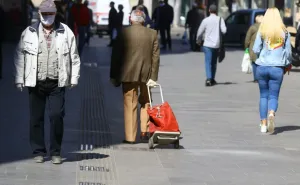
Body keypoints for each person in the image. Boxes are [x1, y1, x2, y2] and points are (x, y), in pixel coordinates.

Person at [14, 0, 80, 164]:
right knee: (36, 118)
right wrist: (19, 78)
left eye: (50, 13)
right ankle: (38, 151)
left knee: (56, 116)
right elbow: (19, 55)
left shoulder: (66, 32)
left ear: (55, 13)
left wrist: (74, 78)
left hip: (57, 82)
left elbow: (74, 57)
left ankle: (56, 151)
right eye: (45, 13)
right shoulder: (29, 32)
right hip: (35, 82)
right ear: (39, 14)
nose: (48, 17)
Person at [110, 10, 160, 144]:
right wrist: (153, 77)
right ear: (143, 20)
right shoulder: (152, 34)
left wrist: (114, 77)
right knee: (146, 101)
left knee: (130, 104)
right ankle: (144, 131)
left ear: (130, 19)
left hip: (128, 75)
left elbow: (116, 57)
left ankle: (130, 137)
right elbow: (155, 58)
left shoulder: (123, 33)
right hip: (146, 75)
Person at [252, 8, 292, 134]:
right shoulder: (285, 32)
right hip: (277, 68)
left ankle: (263, 124)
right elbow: (289, 53)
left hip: (262, 66)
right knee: (273, 95)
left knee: (263, 95)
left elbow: (256, 49)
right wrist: (287, 63)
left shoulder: (262, 30)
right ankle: (271, 113)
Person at [197, 4, 227, 86]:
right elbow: (224, 31)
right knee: (214, 62)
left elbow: (200, 31)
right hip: (217, 45)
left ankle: (209, 79)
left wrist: (198, 40)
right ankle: (212, 78)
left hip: (207, 45)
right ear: (216, 11)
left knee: (208, 62)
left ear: (209, 10)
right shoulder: (220, 19)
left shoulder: (205, 20)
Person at [244, 15, 263, 83]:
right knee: (261, 63)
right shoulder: (265, 27)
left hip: (253, 48)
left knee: (254, 63)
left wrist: (246, 47)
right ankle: (261, 77)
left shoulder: (253, 27)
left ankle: (256, 78)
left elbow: (247, 38)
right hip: (263, 48)